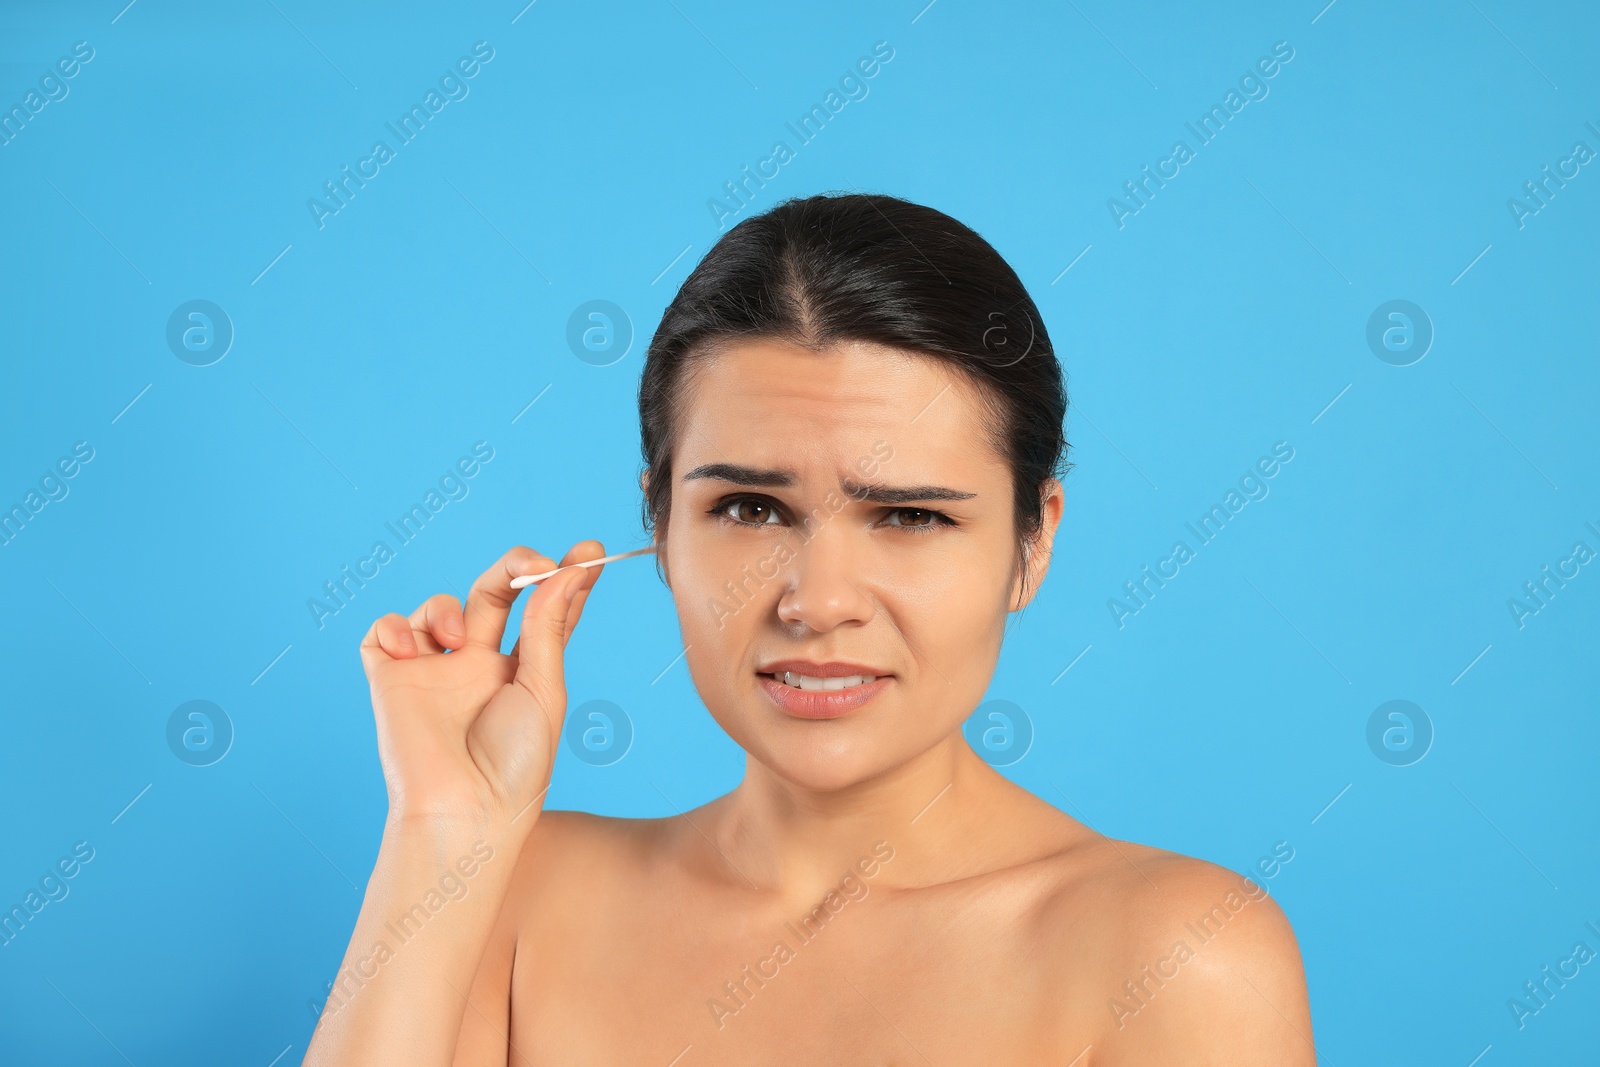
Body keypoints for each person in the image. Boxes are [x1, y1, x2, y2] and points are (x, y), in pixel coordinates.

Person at [304, 192, 1314, 1065]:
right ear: (658, 522)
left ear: (1032, 540)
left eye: (910, 515)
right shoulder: (515, 893)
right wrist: (440, 833)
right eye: (749, 509)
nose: (817, 600)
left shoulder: (1178, 954)